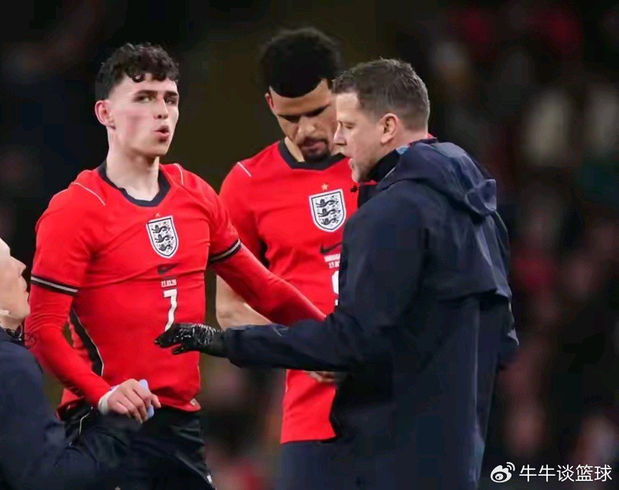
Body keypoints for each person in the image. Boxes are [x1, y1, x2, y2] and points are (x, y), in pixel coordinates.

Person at [157, 59, 518, 489]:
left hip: (390, 448)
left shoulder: (386, 212)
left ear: (387, 128)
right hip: (459, 450)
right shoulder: (481, 206)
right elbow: (504, 341)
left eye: (347, 126)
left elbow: (350, 341)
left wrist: (224, 342)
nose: (338, 139)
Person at [25, 43, 325, 490]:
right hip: (108, 423)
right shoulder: (75, 210)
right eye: (144, 98)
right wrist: (103, 394)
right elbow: (42, 329)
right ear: (105, 113)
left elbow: (262, 287)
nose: (162, 112)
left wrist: (331, 340)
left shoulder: (195, 194)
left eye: (170, 98)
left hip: (180, 425)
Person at [215, 27, 357, 490]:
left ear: (342, 91)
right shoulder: (246, 185)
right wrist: (304, 346)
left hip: (405, 403)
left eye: (317, 112)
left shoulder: (390, 162)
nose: (306, 130)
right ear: (270, 104)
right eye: (290, 118)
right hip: (312, 419)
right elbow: (230, 309)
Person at [0, 227, 152, 490]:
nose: (21, 266)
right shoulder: (4, 365)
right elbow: (51, 480)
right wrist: (118, 423)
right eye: (6, 261)